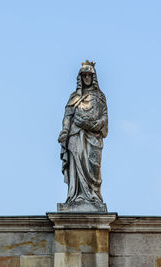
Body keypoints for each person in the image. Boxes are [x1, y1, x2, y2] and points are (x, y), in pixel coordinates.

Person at [58, 60, 108, 210]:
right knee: (78, 159)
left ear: (94, 77)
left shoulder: (100, 96)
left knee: (94, 165)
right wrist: (65, 130)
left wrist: (97, 123)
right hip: (76, 133)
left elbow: (105, 116)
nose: (87, 78)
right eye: (84, 75)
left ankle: (93, 194)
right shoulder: (74, 97)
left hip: (93, 135)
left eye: (89, 75)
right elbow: (68, 115)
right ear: (80, 78)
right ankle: (76, 196)